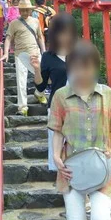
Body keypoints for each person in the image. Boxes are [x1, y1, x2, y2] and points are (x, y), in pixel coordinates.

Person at [48, 41, 111, 220]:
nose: (83, 72)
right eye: (78, 67)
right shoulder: (62, 95)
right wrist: (55, 156)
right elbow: (57, 129)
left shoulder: (107, 93)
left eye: (88, 67)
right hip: (71, 169)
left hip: (103, 166)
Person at [33, 12, 78, 170]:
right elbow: (40, 87)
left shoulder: (80, 53)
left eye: (68, 32)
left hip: (80, 107)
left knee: (79, 149)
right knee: (58, 152)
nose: (64, 36)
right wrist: (37, 70)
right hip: (57, 109)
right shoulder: (48, 57)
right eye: (60, 32)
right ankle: (64, 186)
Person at [0, 0, 46, 115]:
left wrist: (44, 51)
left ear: (30, 10)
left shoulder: (35, 21)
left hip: (35, 52)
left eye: (27, 10)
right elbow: (9, 38)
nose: (25, 12)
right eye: (23, 10)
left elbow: (40, 37)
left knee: (44, 74)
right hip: (20, 55)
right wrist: (6, 53)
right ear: (19, 10)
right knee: (21, 80)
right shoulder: (14, 23)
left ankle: (39, 93)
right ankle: (22, 106)